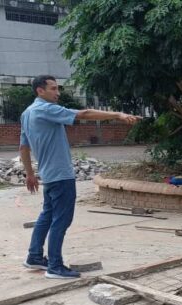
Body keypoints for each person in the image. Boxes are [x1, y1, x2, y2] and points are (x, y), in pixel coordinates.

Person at [20, 75, 140, 279]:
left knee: (47, 216)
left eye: (58, 89)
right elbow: (84, 113)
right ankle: (55, 266)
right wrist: (118, 114)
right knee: (61, 220)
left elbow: (23, 146)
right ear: (40, 91)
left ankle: (35, 257)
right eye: (53, 88)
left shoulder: (27, 113)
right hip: (60, 175)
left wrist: (30, 173)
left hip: (49, 176)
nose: (57, 93)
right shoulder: (46, 109)